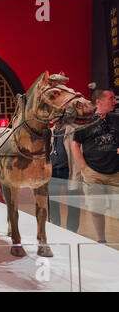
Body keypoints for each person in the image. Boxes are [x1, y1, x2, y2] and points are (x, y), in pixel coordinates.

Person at [72, 88, 119, 243]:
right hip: (94, 172)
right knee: (96, 209)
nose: (114, 101)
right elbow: (75, 145)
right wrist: (84, 168)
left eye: (114, 98)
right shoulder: (84, 121)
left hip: (116, 172)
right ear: (98, 101)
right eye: (111, 98)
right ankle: (101, 240)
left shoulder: (116, 119)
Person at [49, 124, 81, 233]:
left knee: (73, 204)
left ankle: (72, 231)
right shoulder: (49, 132)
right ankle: (55, 229)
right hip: (53, 172)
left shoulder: (72, 130)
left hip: (69, 171)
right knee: (52, 203)